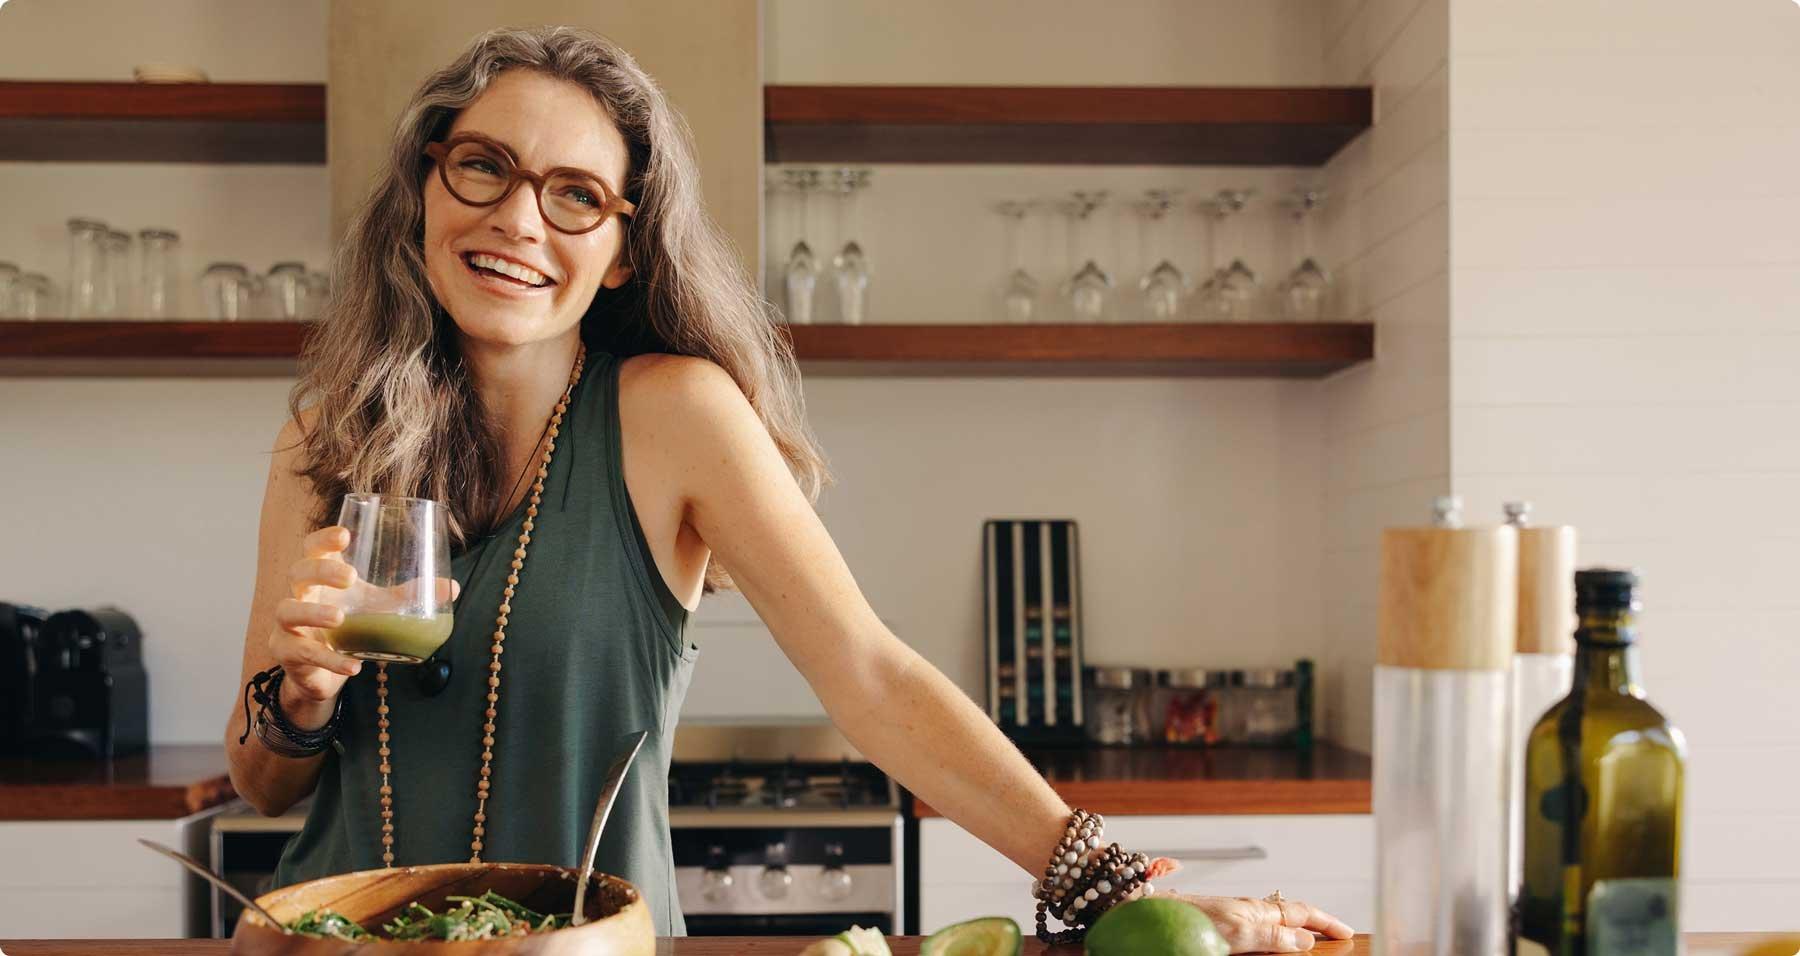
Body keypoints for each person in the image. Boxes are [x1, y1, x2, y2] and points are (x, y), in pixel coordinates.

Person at [222, 25, 1353, 952]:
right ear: (427, 184)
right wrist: (299, 697)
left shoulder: (674, 415)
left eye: (575, 194)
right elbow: (262, 778)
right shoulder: (326, 435)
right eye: (485, 166)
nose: (519, 218)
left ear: (621, 249)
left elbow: (871, 676)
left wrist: (1113, 884)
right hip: (322, 941)